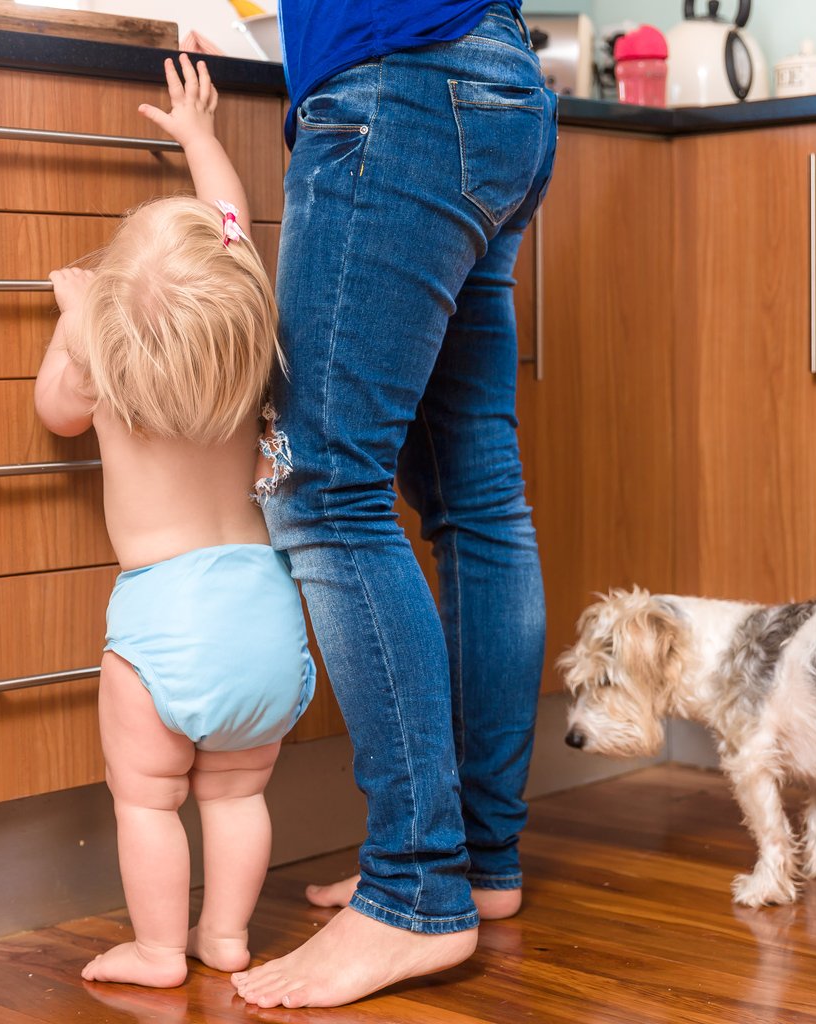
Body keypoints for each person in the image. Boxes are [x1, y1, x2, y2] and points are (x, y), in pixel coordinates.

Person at [230, 0, 558, 1008]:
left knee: (325, 487)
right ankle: (477, 859)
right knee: (474, 497)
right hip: (493, 80)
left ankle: (416, 889)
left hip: (400, 81)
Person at [34, 54, 315, 989]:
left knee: (148, 803)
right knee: (236, 796)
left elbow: (55, 413)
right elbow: (231, 227)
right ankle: (226, 935)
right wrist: (200, 137)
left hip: (164, 624)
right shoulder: (245, 343)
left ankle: (158, 951)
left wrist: (73, 320)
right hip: (264, 615)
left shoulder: (103, 361)